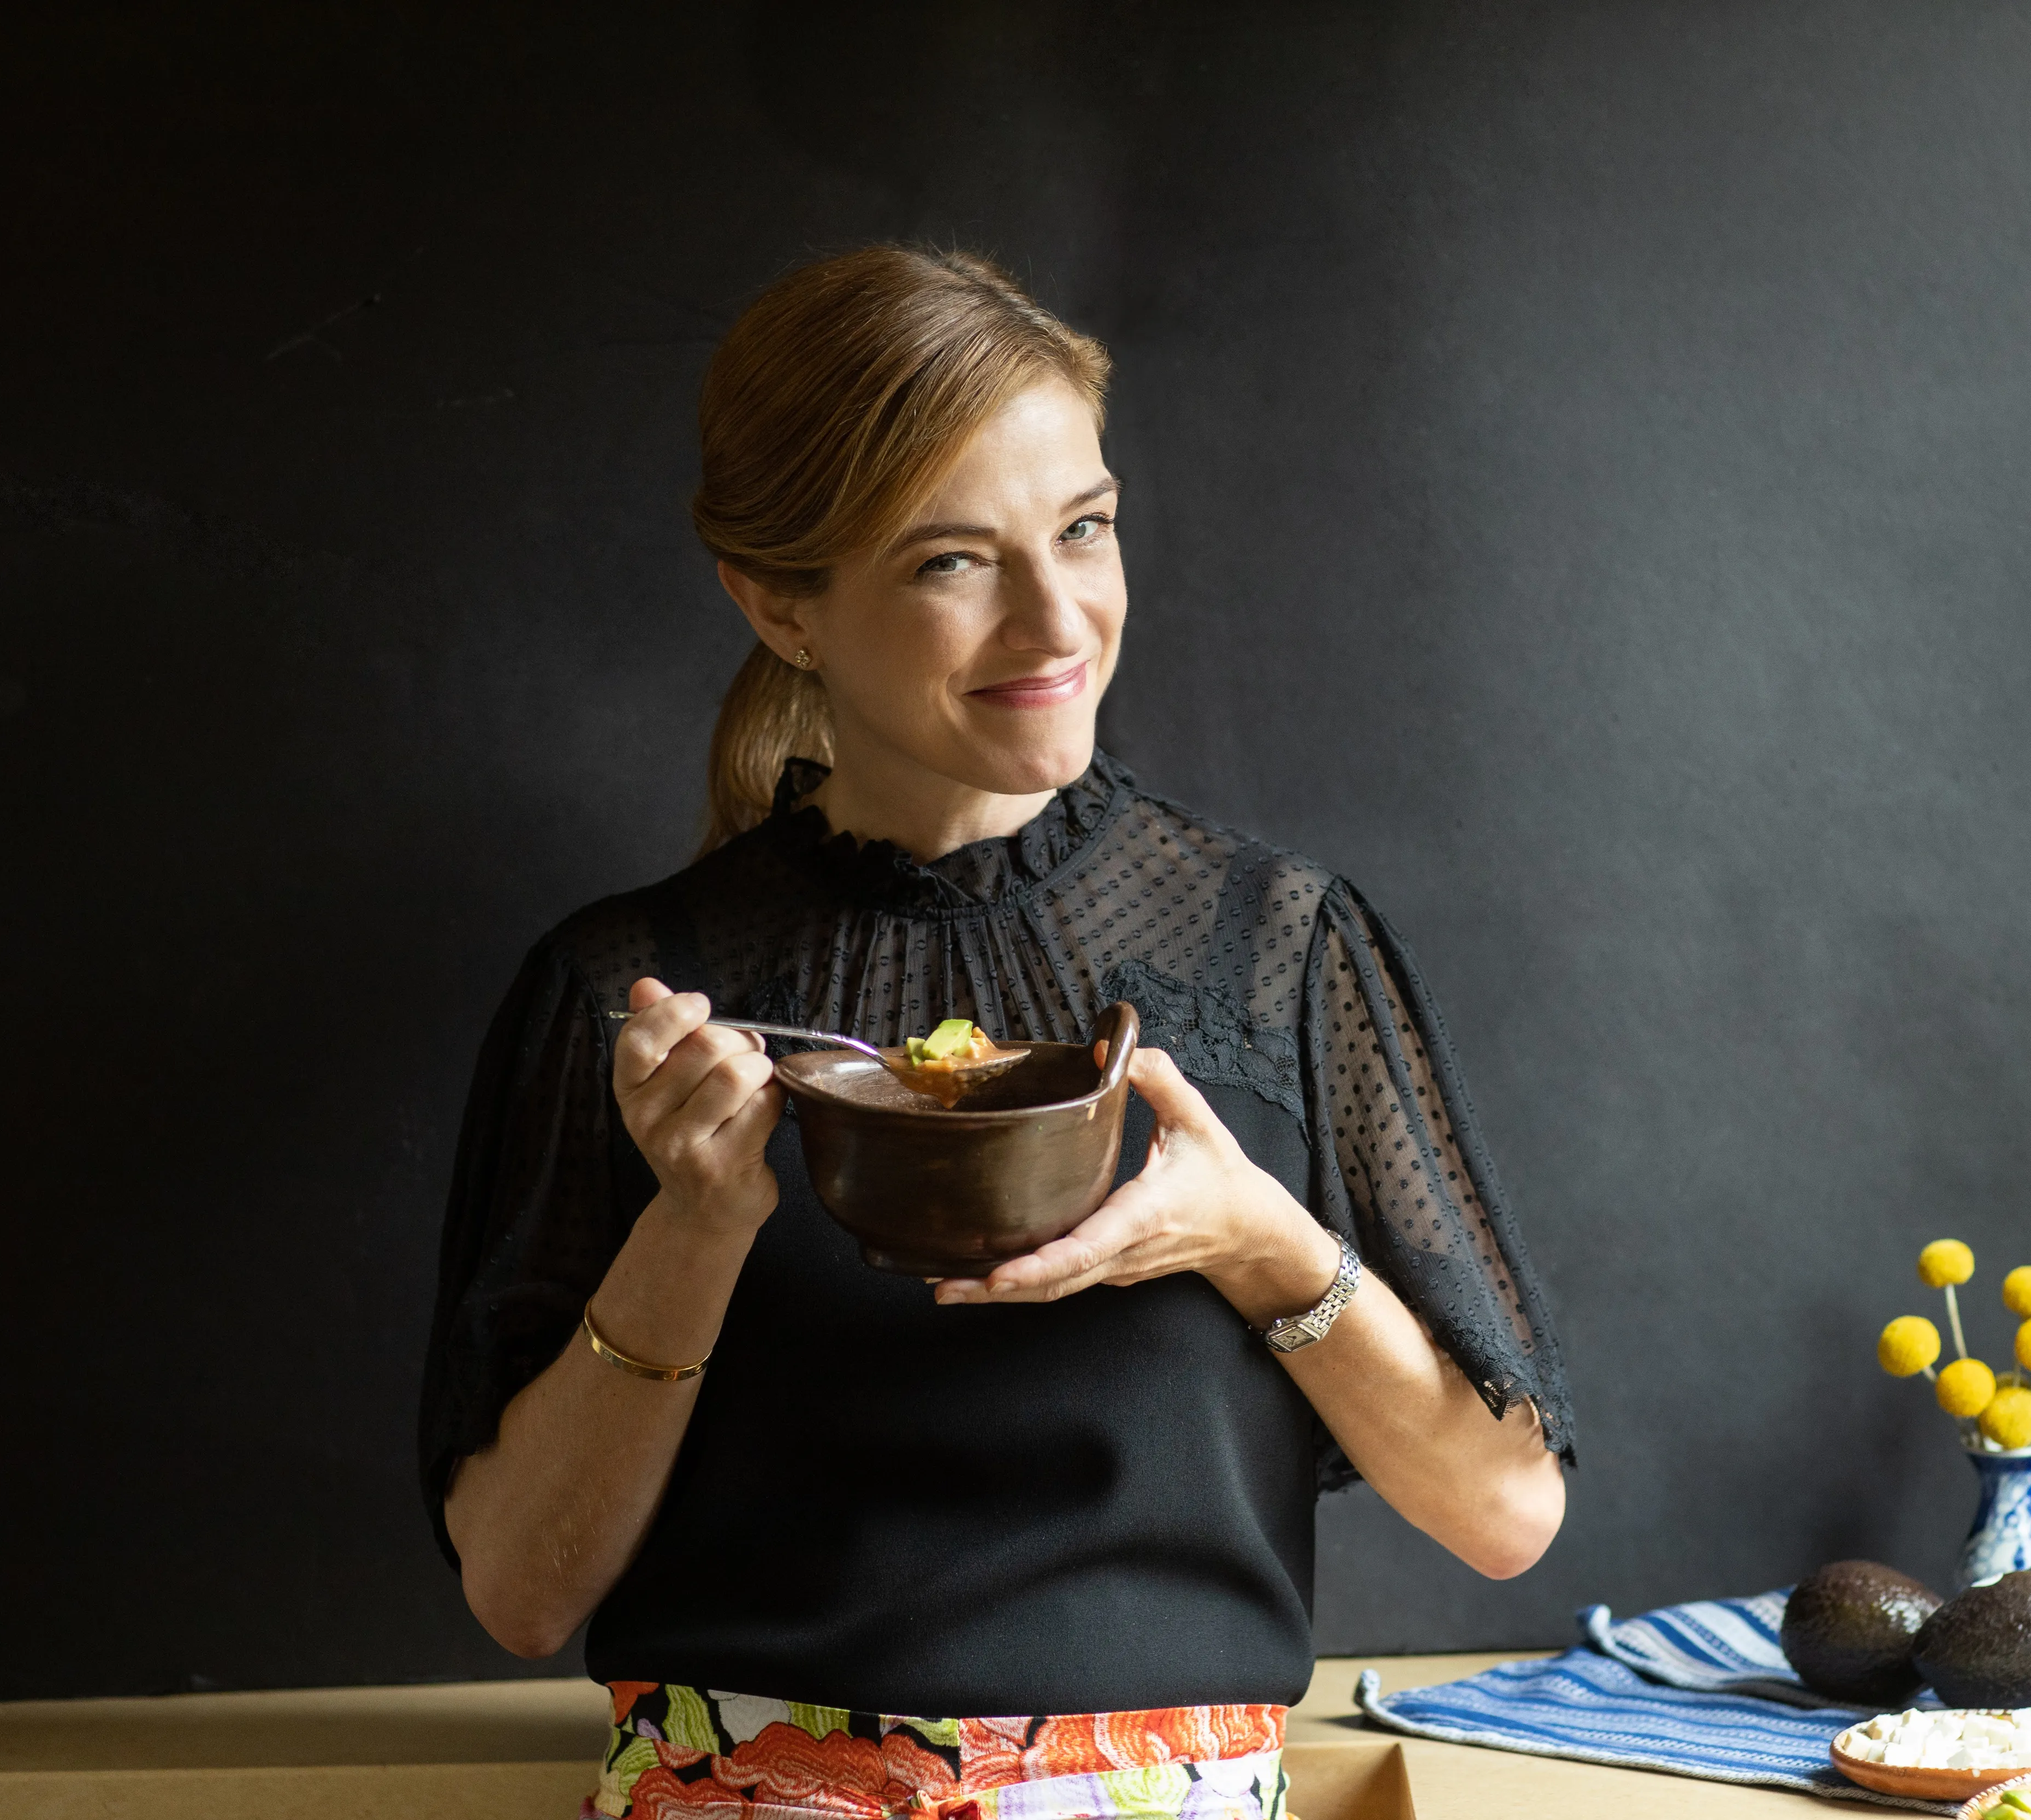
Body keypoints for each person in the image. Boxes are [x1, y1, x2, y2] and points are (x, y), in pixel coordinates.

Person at [420, 246, 1574, 1820]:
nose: (1058, 619)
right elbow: (519, 1589)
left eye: (1084, 531)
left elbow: (1508, 1510)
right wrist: (696, 1219)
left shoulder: (1282, 950)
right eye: (952, 561)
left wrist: (1258, 1243)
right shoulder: (631, 995)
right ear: (780, 603)